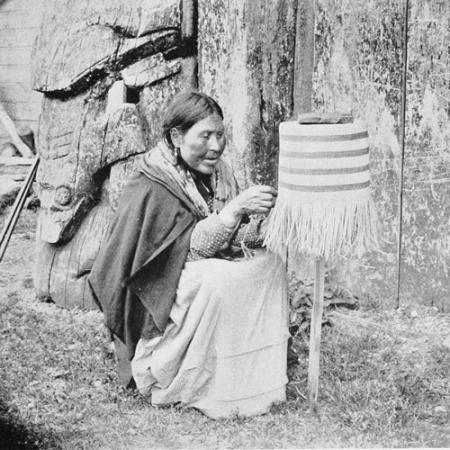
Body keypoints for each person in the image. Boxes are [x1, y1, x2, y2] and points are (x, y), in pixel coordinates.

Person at [88, 91, 290, 419]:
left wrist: (265, 226)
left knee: (270, 264)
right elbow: (189, 250)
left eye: (220, 135)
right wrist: (235, 210)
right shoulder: (154, 180)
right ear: (177, 137)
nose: (215, 145)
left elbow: (233, 238)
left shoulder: (219, 171)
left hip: (196, 268)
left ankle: (247, 374)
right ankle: (184, 375)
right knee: (217, 279)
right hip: (155, 286)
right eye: (205, 136)